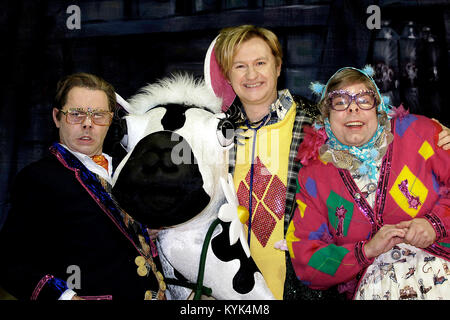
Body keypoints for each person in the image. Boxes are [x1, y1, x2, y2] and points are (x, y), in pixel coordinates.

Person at [287, 65, 450, 299]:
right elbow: (306, 261)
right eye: (340, 102)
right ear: (327, 116)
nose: (353, 108)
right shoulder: (314, 177)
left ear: (378, 109)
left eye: (363, 99)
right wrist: (366, 250)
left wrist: (435, 225)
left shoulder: (419, 134)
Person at [0, 73, 165, 300]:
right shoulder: (37, 178)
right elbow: (10, 262)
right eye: (76, 115)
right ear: (57, 117)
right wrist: (66, 298)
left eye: (98, 115)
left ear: (110, 120)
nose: (88, 123)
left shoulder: (131, 170)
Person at [207, 24, 339, 300]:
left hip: (303, 289)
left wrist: (434, 135)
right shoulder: (215, 134)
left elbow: (376, 149)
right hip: (232, 291)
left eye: (260, 63)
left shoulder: (318, 124)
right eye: (239, 66)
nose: (251, 75)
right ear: (228, 76)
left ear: (278, 67)